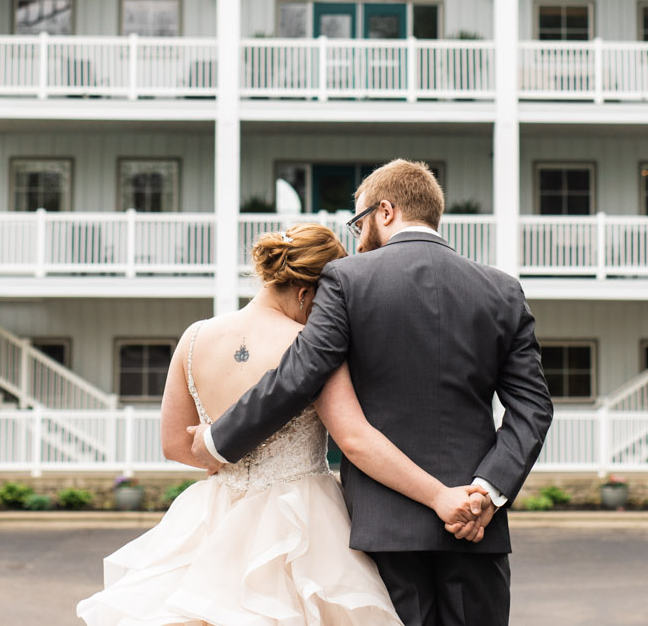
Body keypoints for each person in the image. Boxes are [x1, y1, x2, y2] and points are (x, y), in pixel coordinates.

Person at [190, 160, 553, 626]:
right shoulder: (503, 291)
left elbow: (301, 372)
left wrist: (219, 440)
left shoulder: (346, 281)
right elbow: (533, 408)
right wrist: (486, 490)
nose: (357, 240)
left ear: (385, 212)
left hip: (386, 526)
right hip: (476, 526)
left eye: (358, 223)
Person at [77, 220, 485, 626]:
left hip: (214, 515)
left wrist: (231, 459)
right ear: (307, 292)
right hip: (302, 519)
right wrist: (438, 495)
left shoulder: (195, 337)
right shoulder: (310, 348)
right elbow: (355, 439)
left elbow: (174, 444)